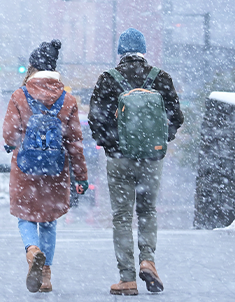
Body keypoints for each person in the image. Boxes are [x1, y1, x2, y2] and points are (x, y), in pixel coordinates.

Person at [88, 28, 184, 295]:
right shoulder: (160, 78)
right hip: (151, 159)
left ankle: (127, 278)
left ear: (120, 52)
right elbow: (176, 118)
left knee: (121, 216)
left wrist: (111, 144)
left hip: (119, 159)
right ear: (143, 51)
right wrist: (159, 142)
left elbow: (95, 120)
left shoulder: (108, 79)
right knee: (147, 211)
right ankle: (148, 260)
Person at [3, 39, 88, 293]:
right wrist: (81, 177)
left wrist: (16, 143)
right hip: (55, 173)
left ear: (33, 68)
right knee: (49, 222)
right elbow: (75, 143)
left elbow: (9, 136)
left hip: (26, 171)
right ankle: (46, 276)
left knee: (25, 217)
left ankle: (32, 251)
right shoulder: (68, 100)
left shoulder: (20, 95)